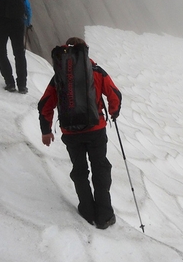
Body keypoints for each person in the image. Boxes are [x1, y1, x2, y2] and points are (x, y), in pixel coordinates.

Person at [38, 37, 122, 229]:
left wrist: (46, 131)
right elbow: (114, 94)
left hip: (70, 133)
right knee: (100, 168)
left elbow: (45, 104)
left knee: (80, 170)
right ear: (85, 52)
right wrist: (114, 111)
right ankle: (105, 215)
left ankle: (86, 210)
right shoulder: (96, 72)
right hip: (96, 130)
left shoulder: (59, 76)